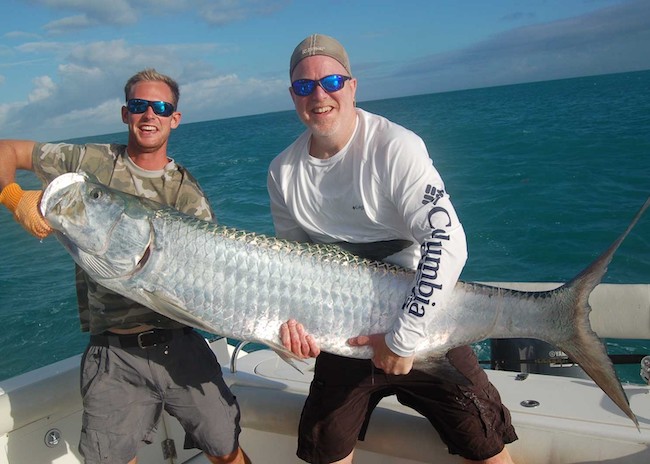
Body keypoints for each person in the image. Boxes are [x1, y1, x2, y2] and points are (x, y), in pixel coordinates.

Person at [269, 34, 518, 464]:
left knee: (486, 447)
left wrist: (404, 339)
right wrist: (292, 333)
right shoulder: (281, 173)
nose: (319, 95)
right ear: (293, 96)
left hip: (422, 322)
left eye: (330, 80)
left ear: (352, 85)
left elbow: (448, 241)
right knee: (323, 453)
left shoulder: (394, 146)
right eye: (305, 86)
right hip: (341, 334)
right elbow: (294, 271)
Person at [0, 69, 251, 464]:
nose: (148, 114)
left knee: (225, 449)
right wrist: (14, 197)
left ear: (174, 118)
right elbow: (7, 150)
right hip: (113, 351)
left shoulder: (186, 193)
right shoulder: (90, 162)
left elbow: (213, 280)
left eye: (160, 107)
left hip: (180, 344)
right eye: (138, 106)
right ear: (125, 113)